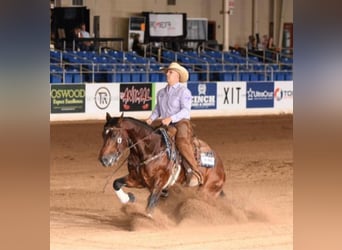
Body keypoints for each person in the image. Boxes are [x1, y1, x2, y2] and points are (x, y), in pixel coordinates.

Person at [145, 62, 203, 186]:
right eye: (167, 72)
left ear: (177, 76)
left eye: (170, 72)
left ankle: (194, 171)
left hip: (181, 122)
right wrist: (151, 118)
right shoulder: (161, 93)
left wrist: (171, 118)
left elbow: (186, 110)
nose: (167, 74)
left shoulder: (184, 91)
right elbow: (158, 109)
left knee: (181, 141)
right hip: (168, 124)